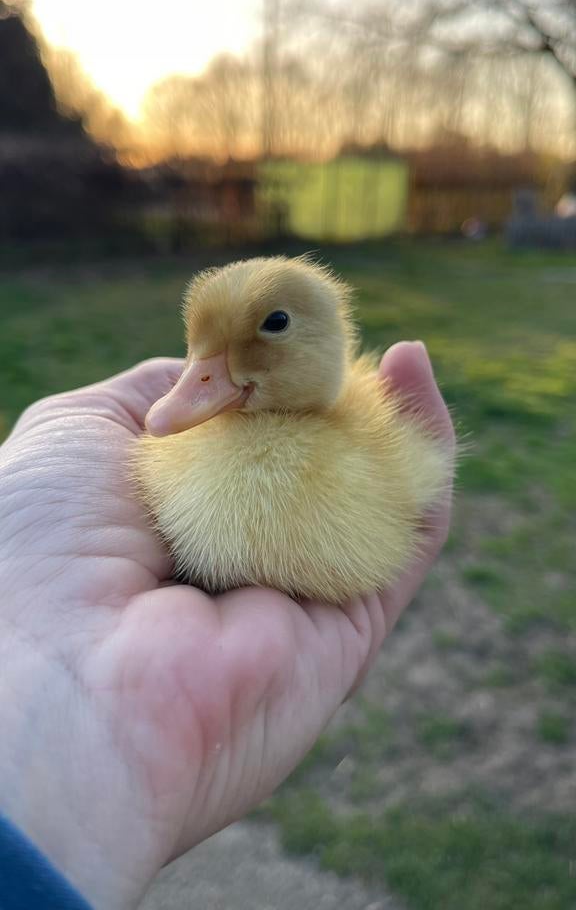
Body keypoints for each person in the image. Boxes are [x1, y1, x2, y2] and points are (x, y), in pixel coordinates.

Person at [0, 342, 454, 910]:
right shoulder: (191, 451)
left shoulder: (358, 453)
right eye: (199, 351)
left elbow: (416, 472)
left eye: (272, 328)